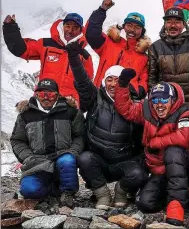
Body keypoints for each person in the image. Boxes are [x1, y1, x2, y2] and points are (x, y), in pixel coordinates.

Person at [65, 41, 148, 210]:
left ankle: (121, 190)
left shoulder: (137, 104)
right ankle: (102, 194)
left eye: (117, 80)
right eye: (109, 79)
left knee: (139, 173)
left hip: (125, 161)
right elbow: (82, 81)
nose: (112, 84)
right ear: (104, 82)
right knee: (85, 159)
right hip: (99, 160)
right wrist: (74, 58)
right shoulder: (95, 97)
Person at [114, 69, 189, 226]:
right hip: (159, 169)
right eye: (155, 100)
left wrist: (154, 143)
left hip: (184, 166)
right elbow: (126, 109)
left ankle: (176, 206)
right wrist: (122, 85)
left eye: (164, 99)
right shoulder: (147, 109)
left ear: (172, 99)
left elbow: (184, 137)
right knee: (145, 204)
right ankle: (178, 195)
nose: (159, 104)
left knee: (173, 151)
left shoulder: (186, 112)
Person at [10, 78, 85, 208]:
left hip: (63, 157)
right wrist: (28, 157)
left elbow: (80, 136)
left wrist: (73, 152)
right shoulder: (25, 115)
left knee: (67, 161)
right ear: (36, 94)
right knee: (28, 190)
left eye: (50, 93)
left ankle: (68, 192)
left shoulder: (70, 111)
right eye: (42, 93)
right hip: (37, 163)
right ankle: (53, 189)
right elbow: (17, 140)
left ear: (57, 94)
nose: (46, 97)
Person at [2, 13, 94, 104]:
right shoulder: (46, 44)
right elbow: (22, 49)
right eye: (67, 26)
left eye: (75, 27)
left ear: (81, 31)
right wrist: (10, 28)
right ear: (62, 26)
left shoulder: (84, 56)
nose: (70, 30)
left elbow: (86, 85)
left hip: (69, 107)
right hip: (43, 101)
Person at [86, 0, 150, 100]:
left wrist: (137, 92)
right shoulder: (108, 43)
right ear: (123, 27)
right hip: (100, 97)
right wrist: (102, 10)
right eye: (129, 25)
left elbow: (144, 81)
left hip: (126, 101)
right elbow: (91, 33)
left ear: (142, 31)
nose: (132, 30)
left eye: (137, 27)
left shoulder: (144, 57)